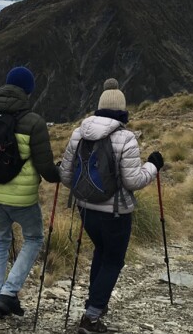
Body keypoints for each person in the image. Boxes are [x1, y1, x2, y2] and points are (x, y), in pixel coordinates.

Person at [59, 78, 164, 334]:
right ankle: (92, 317)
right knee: (114, 259)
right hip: (116, 212)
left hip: (85, 208)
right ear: (122, 110)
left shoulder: (78, 133)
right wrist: (153, 166)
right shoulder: (125, 137)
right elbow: (133, 180)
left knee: (101, 252)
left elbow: (65, 175)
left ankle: (95, 305)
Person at [0, 66, 61, 319]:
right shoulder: (33, 122)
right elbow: (46, 167)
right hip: (23, 198)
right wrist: (59, 175)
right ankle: (8, 292)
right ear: (27, 91)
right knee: (34, 239)